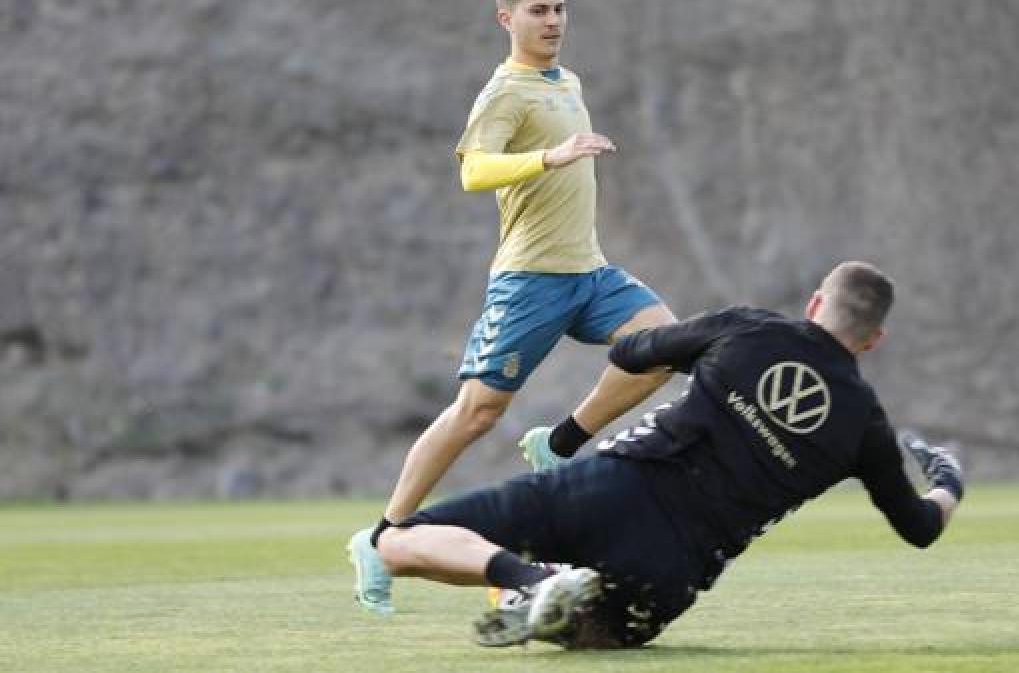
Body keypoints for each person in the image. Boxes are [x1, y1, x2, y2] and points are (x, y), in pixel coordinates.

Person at [371, 261, 965, 648]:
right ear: (874, 340)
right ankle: (559, 595)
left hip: (610, 492)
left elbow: (633, 353)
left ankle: (531, 579)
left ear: (815, 304)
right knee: (592, 635)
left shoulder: (749, 329)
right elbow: (918, 527)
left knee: (396, 544)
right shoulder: (865, 422)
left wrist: (699, 361)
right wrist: (947, 481)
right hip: (673, 571)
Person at [346, 0, 678, 615]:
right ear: (507, 19)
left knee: (664, 345)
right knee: (478, 412)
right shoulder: (505, 92)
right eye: (538, 11)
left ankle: (558, 444)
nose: (552, 20)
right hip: (529, 280)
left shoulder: (566, 81)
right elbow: (474, 172)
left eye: (558, 8)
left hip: (590, 271)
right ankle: (383, 534)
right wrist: (550, 157)